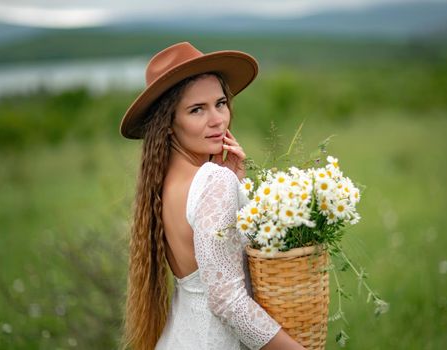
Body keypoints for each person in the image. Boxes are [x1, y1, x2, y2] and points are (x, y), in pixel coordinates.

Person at [119, 42, 306, 350]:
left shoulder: (162, 185)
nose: (218, 119)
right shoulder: (211, 181)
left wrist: (236, 183)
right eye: (197, 110)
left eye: (220, 103)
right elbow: (228, 301)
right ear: (167, 124)